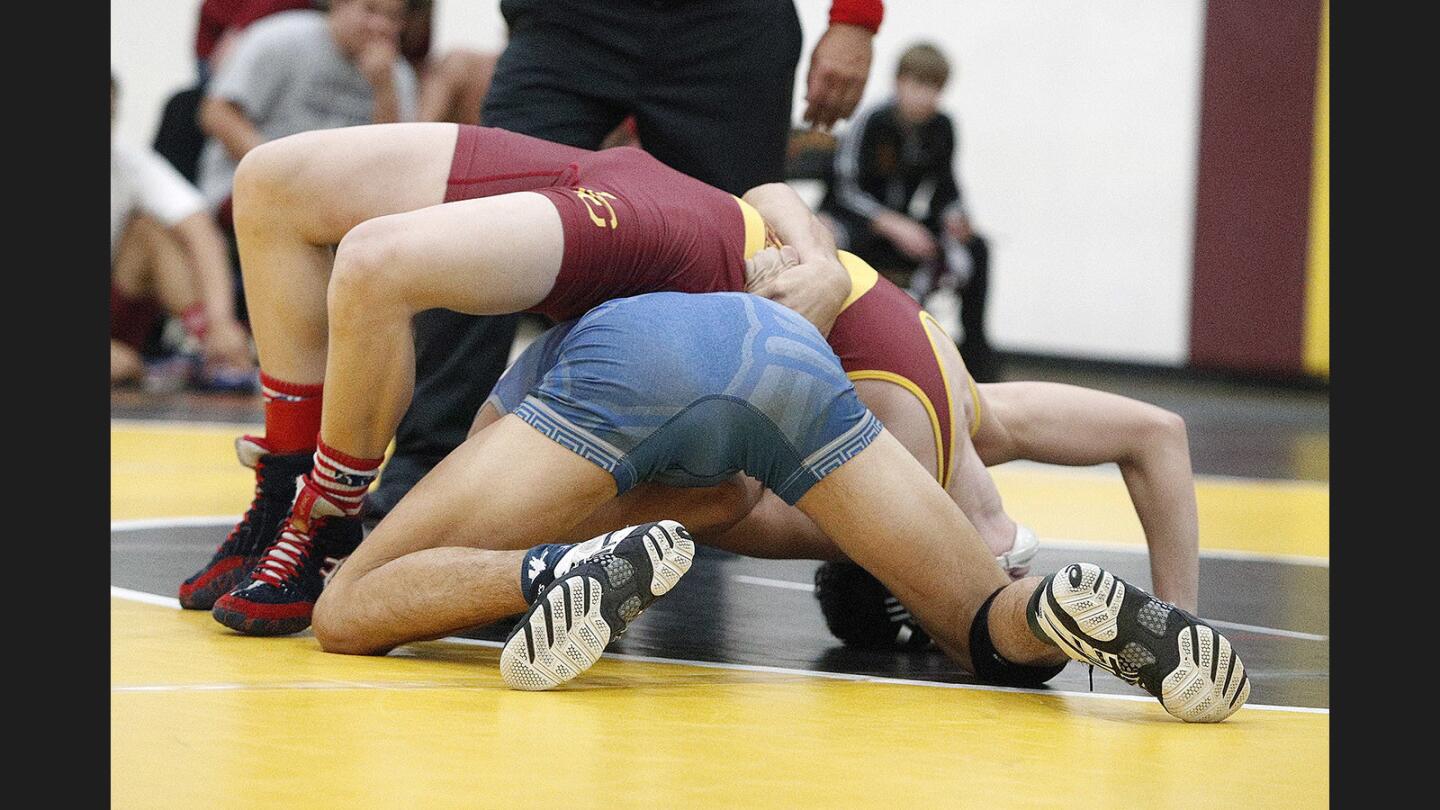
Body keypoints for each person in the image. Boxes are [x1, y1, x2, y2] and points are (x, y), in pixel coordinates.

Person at [304, 290, 1250, 723]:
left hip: (645, 364)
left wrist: (498, 567)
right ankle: (1045, 603)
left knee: (348, 606)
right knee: (984, 634)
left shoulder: (514, 410)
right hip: (792, 352)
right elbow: (722, 498)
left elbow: (680, 503)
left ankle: (551, 573)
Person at [177, 122, 853, 618]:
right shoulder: (909, 402)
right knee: (266, 181)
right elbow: (771, 189)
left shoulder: (895, 416)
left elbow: (735, 498)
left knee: (373, 263)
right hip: (653, 202)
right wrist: (820, 262)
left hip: (668, 244)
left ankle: (321, 520)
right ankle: (285, 498)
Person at [364, 0, 888, 524]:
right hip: (573, 20)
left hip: (730, 25)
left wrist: (854, 20)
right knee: (482, 225)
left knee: (737, 248)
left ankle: (700, 485)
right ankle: (425, 463)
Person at [818, 42, 998, 380]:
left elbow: (945, 187)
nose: (923, 97)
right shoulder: (873, 120)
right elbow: (845, 188)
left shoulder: (941, 127)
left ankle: (976, 362)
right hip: (857, 222)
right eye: (917, 85)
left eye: (933, 89)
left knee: (978, 248)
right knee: (827, 238)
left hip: (901, 224)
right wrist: (890, 224)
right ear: (898, 82)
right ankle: (833, 350)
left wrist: (957, 215)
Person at [196, 0, 420, 218]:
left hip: (345, 200)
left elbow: (393, 163)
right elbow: (217, 113)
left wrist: (384, 91)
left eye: (392, 17)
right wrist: (281, 170)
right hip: (255, 187)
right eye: (370, 10)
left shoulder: (397, 76)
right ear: (338, 4)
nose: (380, 25)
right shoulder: (282, 38)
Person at [111, 74, 256, 389]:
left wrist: (220, 323)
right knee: (121, 365)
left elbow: (201, 232)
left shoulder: (127, 162)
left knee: (149, 230)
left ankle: (212, 348)